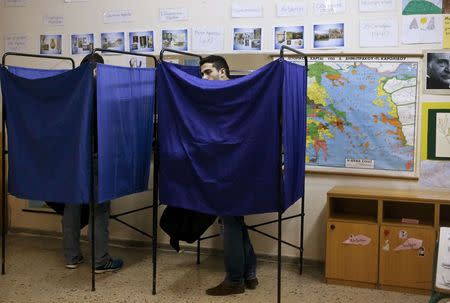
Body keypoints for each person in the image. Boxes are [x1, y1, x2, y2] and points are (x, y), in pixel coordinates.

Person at [200, 55, 258, 296]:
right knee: (236, 220)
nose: (204, 77)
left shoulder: (229, 95)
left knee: (230, 221)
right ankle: (249, 273)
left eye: (208, 72)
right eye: (201, 74)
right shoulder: (238, 94)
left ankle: (234, 280)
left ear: (222, 72)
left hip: (230, 169)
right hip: (240, 167)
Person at [62, 53, 123, 273]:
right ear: (100, 70)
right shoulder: (105, 94)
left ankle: (71, 256)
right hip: (97, 156)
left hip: (72, 158)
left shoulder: (69, 93)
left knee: (72, 206)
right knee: (99, 210)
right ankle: (100, 260)